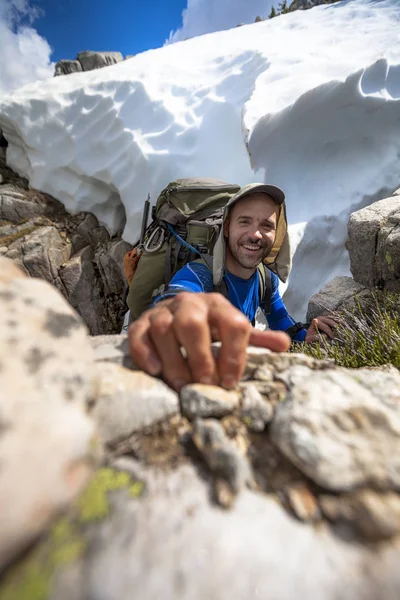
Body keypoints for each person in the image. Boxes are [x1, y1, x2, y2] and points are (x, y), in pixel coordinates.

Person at [129, 183, 336, 392]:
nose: (255, 234)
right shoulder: (200, 273)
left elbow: (280, 320)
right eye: (244, 221)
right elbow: (181, 294)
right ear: (227, 228)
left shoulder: (265, 278)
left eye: (267, 225)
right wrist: (172, 307)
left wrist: (304, 336)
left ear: (277, 234)